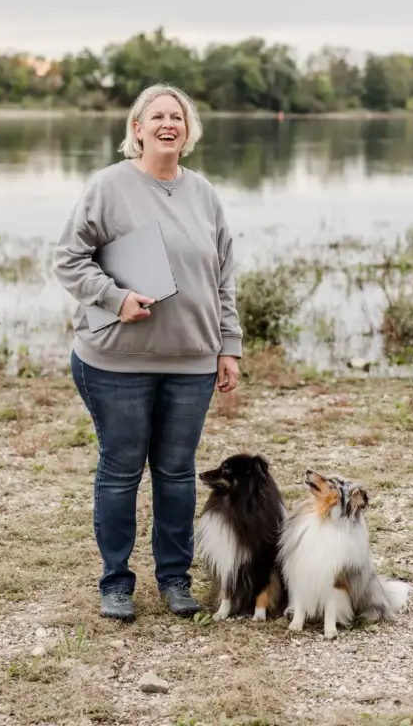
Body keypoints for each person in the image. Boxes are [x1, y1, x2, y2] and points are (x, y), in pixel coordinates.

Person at [53, 83, 242, 622]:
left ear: (188, 130)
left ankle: (175, 580)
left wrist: (228, 347)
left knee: (178, 473)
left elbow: (224, 277)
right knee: (120, 471)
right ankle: (115, 583)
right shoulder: (108, 188)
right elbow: (69, 261)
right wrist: (115, 297)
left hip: (192, 363)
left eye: (176, 117)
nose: (167, 124)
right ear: (136, 129)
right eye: (155, 116)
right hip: (116, 362)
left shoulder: (204, 193)